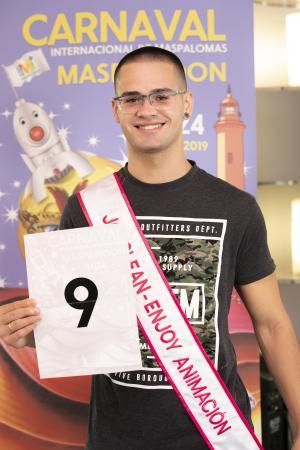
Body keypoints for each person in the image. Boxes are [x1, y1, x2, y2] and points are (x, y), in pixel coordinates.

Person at [0, 47, 299, 450]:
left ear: (186, 103)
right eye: (133, 98)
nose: (147, 109)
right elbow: (74, 325)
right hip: (117, 438)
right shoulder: (85, 207)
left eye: (161, 95)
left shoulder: (235, 208)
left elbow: (272, 325)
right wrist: (27, 334)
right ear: (116, 109)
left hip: (215, 434)